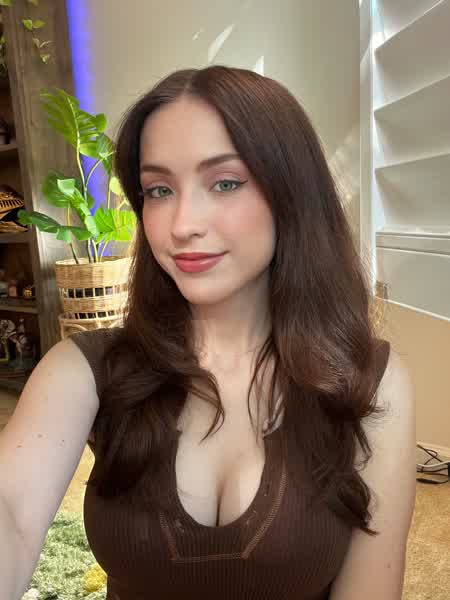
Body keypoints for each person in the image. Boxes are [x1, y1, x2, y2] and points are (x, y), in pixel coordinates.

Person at [0, 65, 416, 600]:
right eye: (159, 190)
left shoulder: (372, 382)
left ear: (291, 192)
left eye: (225, 183)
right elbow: (11, 513)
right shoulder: (83, 368)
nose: (181, 225)